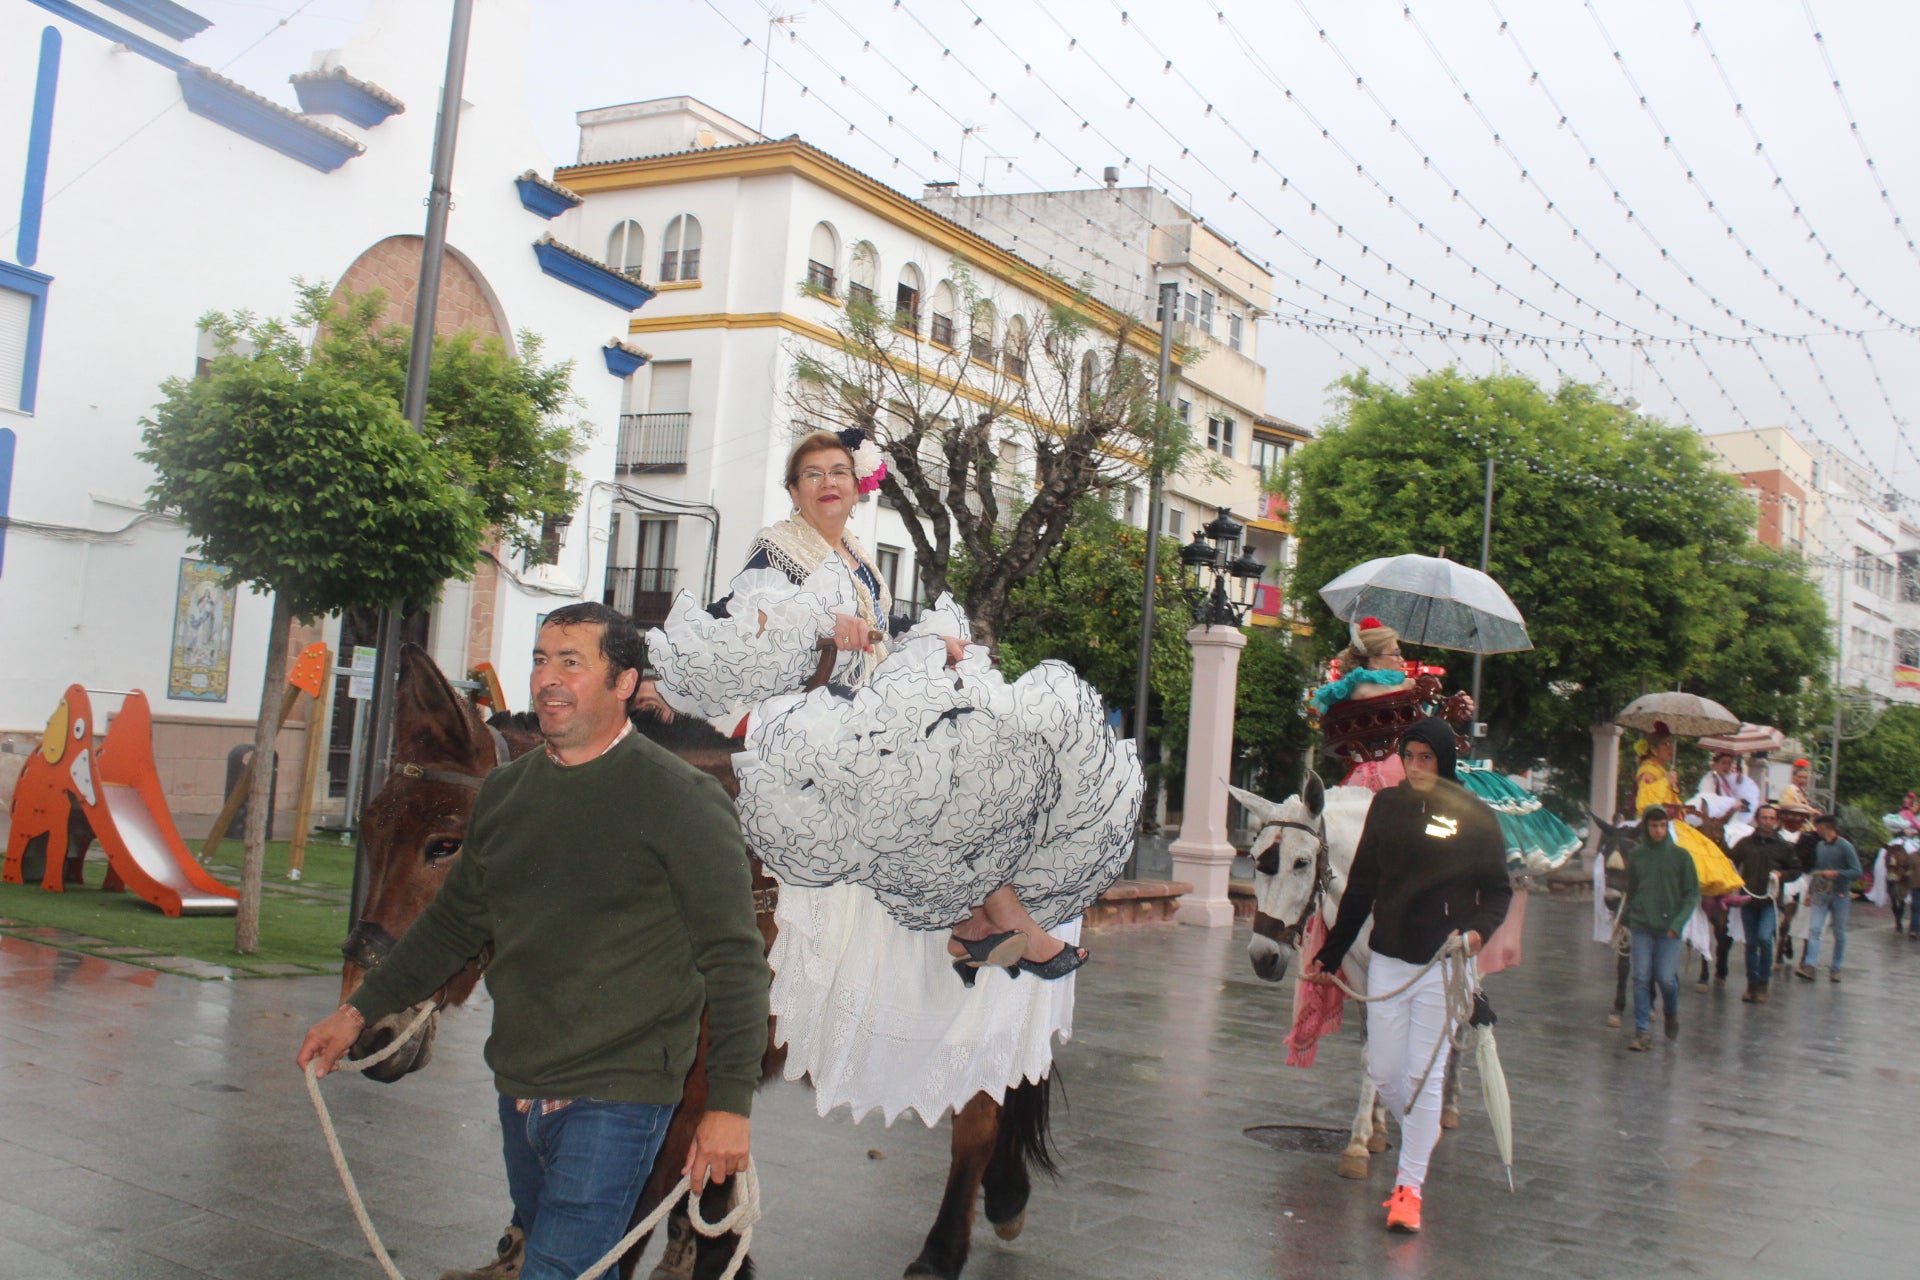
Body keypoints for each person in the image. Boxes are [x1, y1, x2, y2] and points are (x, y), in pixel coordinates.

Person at [647, 429, 1141, 1126]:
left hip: (849, 708)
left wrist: (931, 642)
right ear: (793, 490)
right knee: (927, 769)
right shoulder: (777, 549)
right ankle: (990, 919)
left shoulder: (856, 557)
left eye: (839, 473)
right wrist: (820, 626)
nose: (828, 483)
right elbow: (745, 627)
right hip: (791, 718)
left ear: (857, 488)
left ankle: (977, 918)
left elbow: (878, 640)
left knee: (970, 755)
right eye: (813, 474)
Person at [296, 604, 770, 1280]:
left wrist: (727, 1108)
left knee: (558, 1270)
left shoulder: (682, 800)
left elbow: (734, 962)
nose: (549, 678)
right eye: (542, 660)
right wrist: (357, 1012)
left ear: (624, 683)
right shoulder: (505, 793)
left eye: (572, 662)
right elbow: (454, 923)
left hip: (621, 1093)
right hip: (520, 1087)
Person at [1305, 718, 1512, 1235]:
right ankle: (1420, 1134)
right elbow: (1361, 886)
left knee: (1423, 1077)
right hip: (1389, 959)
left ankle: (1408, 1188)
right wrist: (1331, 953)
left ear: (1445, 761)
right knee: (1384, 1069)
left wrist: (1478, 933)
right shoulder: (1388, 806)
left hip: (1443, 964)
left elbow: (1497, 891)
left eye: (1427, 757)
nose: (1416, 767)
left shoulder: (1473, 814)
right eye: (1410, 756)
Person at [1633, 725, 1744, 898]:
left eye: (1671, 743)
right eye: (1666, 744)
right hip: (1656, 821)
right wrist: (1666, 782)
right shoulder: (1648, 770)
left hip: (1672, 820)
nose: (1670, 748)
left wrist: (1680, 805)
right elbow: (1646, 802)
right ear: (1654, 750)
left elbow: (1672, 800)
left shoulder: (1661, 770)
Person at [1621, 807, 1699, 1051]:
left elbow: (1691, 895)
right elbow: (1632, 889)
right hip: (1642, 925)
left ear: (1667, 827)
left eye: (1662, 825)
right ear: (1647, 827)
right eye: (1653, 826)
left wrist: (1678, 924)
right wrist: (1626, 917)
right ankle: (1642, 1031)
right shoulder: (1637, 855)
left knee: (1666, 978)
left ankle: (1671, 1012)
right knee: (1641, 977)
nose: (1658, 831)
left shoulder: (1681, 857)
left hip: (1669, 929)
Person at [1726, 805, 1798, 1002]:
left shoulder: (1783, 846)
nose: (1768, 821)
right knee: (1751, 943)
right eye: (1764, 817)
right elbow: (1729, 862)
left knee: (1765, 939)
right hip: (1748, 900)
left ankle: (1764, 983)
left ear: (1776, 821)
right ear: (1757, 819)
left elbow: (1796, 869)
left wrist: (1781, 875)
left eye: (1771, 818)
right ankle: (1752, 985)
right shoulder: (1745, 844)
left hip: (1770, 901)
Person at [1796, 813, 1862, 983]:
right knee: (1814, 929)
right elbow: (1817, 870)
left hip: (1840, 895)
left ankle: (1836, 967)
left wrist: (1837, 873)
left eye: (1817, 827)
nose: (1816, 830)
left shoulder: (1845, 846)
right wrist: (1810, 892)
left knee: (1839, 932)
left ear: (1824, 827)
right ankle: (1810, 965)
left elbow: (1856, 871)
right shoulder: (1820, 846)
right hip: (1821, 893)